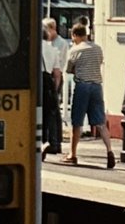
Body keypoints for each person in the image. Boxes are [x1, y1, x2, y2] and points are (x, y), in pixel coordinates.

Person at [64, 22, 115, 168]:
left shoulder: (75, 50)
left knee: (77, 122)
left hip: (82, 86)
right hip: (97, 86)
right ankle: (109, 151)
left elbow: (68, 69)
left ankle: (72, 154)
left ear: (74, 35)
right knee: (100, 122)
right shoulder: (97, 48)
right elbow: (100, 62)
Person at [40, 17, 67, 159]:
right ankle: (48, 141)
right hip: (48, 82)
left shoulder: (35, 48)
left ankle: (38, 142)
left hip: (37, 80)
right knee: (49, 114)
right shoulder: (53, 50)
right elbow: (57, 73)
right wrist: (55, 89)